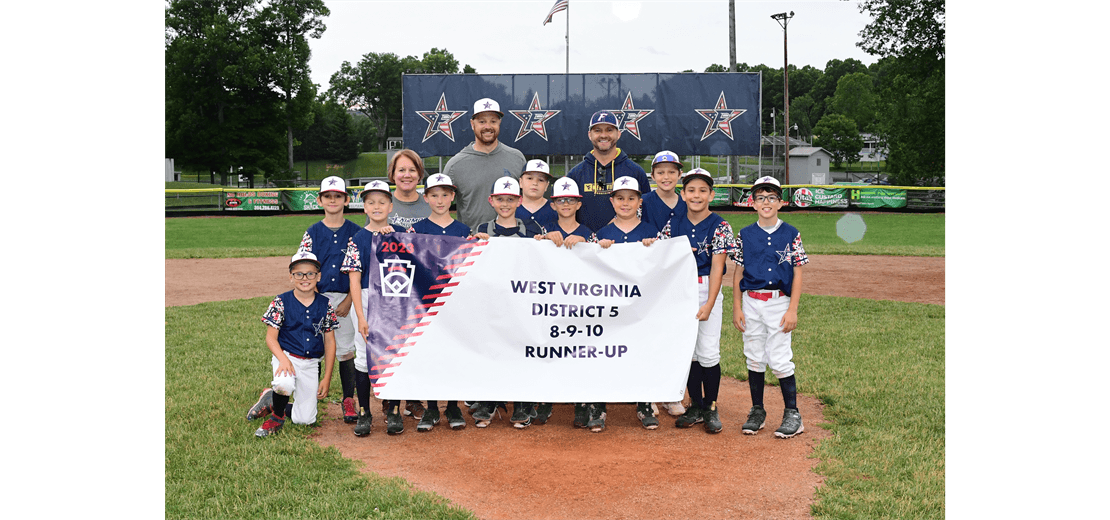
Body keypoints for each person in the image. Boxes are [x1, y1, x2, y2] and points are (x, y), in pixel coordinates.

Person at [651, 168, 737, 434]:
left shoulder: (720, 225)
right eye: (691, 190)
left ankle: (710, 406)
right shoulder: (673, 223)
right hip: (679, 292)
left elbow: (717, 268)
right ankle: (696, 406)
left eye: (702, 190)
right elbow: (662, 258)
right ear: (683, 193)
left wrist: (710, 303)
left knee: (708, 352)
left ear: (711, 194)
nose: (696, 195)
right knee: (688, 352)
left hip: (704, 288)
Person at [731, 176, 809, 439]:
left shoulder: (791, 233)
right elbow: (738, 272)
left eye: (772, 197)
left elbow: (797, 273)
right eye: (760, 197)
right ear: (752, 203)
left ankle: (793, 414)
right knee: (754, 355)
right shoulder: (745, 234)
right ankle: (757, 411)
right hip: (752, 301)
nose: (766, 202)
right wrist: (737, 307)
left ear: (781, 203)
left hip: (779, 302)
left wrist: (793, 309)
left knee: (779, 357)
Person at [586, 176, 660, 432]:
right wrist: (600, 249)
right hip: (609, 306)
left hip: (641, 305)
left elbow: (662, 270)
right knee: (603, 351)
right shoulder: (603, 234)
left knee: (642, 351)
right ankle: (598, 405)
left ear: (640, 201)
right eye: (620, 198)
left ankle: (644, 403)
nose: (625, 203)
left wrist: (655, 248)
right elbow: (591, 271)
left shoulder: (651, 231)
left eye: (631, 198)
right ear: (612, 201)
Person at [470, 176, 545, 429]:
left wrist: (546, 244)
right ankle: (491, 400)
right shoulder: (483, 229)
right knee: (493, 349)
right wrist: (474, 246)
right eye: (500, 199)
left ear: (519, 200)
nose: (505, 204)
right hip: (491, 301)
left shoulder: (532, 230)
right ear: (492, 201)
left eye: (510, 199)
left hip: (523, 302)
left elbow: (544, 264)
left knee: (521, 349)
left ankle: (523, 402)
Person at [405, 173, 472, 432]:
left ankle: (452, 405)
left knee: (452, 351)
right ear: (426, 198)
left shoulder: (462, 230)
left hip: (454, 300)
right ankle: (432, 407)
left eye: (445, 194)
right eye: (434, 194)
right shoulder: (417, 229)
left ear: (453, 196)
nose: (440, 199)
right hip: (426, 300)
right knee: (429, 352)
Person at [340, 180, 407, 436]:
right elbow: (354, 280)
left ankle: (394, 411)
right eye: (370, 202)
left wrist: (396, 239)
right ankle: (365, 412)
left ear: (391, 206)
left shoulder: (400, 232)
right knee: (363, 355)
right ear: (364, 207)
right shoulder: (357, 238)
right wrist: (360, 316)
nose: (376, 206)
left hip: (395, 299)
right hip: (367, 299)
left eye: (382, 202)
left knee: (394, 353)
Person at [294, 176, 363, 425]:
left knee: (345, 349)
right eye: (328, 196)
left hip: (346, 300)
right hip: (317, 298)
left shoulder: (357, 231)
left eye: (338, 196)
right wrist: (312, 301)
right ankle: (311, 395)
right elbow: (304, 268)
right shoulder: (312, 232)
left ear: (346, 199)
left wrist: (348, 301)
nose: (333, 200)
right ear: (320, 200)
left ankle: (348, 398)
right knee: (313, 349)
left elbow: (362, 270)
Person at [248, 251, 337, 438]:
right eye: (299, 274)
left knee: (305, 419)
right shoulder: (281, 301)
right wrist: (283, 359)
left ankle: (273, 400)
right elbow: (271, 338)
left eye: (310, 273)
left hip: (311, 362)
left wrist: (327, 377)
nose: (305, 278)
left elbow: (329, 342)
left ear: (318, 276)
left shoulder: (325, 305)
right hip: (286, 356)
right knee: (283, 383)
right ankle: (277, 417)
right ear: (291, 277)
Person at [642, 151, 688, 417]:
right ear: (653, 175)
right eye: (661, 171)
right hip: (648, 277)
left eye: (672, 171)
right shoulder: (644, 201)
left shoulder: (687, 202)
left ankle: (672, 393)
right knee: (648, 335)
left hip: (676, 278)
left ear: (679, 175)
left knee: (673, 336)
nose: (666, 176)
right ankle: (648, 394)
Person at [442, 98, 526, 230]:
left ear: (499, 123)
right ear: (472, 124)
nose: (488, 126)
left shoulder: (517, 158)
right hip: (473, 243)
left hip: (511, 241)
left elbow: (528, 201)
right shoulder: (455, 165)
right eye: (482, 122)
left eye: (493, 121)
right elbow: (440, 208)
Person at [565, 110, 651, 232]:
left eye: (609, 130)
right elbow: (565, 213)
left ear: (619, 134)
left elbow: (646, 213)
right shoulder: (575, 174)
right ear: (590, 135)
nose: (604, 135)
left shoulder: (635, 172)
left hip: (626, 245)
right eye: (598, 130)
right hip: (584, 246)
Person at [385, 148, 432, 230]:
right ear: (393, 174)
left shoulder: (431, 205)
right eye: (401, 170)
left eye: (412, 170)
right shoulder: (381, 204)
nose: (407, 175)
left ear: (419, 175)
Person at [516, 159, 557, 231]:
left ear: (547, 185)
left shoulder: (556, 209)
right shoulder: (510, 208)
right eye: (530, 178)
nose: (535, 183)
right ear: (521, 182)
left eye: (541, 180)